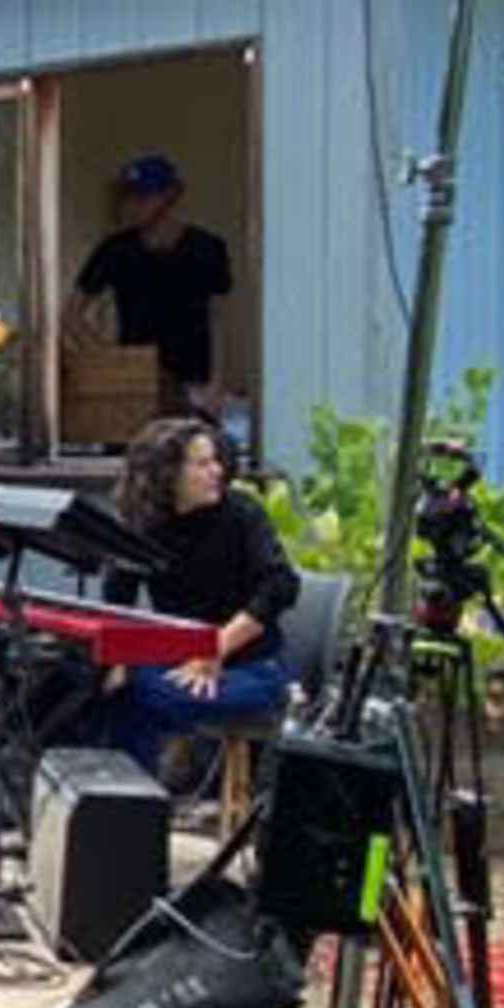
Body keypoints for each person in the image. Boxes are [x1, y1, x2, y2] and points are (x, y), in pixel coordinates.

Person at [101, 409, 300, 785]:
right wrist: (117, 661)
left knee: (142, 694)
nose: (217, 472)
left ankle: (140, 804)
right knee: (103, 686)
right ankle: (124, 807)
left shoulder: (242, 514)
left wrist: (215, 647)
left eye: (216, 462)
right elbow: (117, 598)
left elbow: (280, 586)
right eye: (202, 464)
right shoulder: (145, 523)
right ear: (167, 475)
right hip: (179, 660)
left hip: (253, 667)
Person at [74, 154, 234, 420]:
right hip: (134, 384)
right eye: (130, 196)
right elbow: (72, 316)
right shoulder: (114, 250)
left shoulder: (206, 247)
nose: (134, 205)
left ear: (171, 195)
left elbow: (219, 318)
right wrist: (114, 361)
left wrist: (216, 383)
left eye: (145, 196)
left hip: (192, 382)